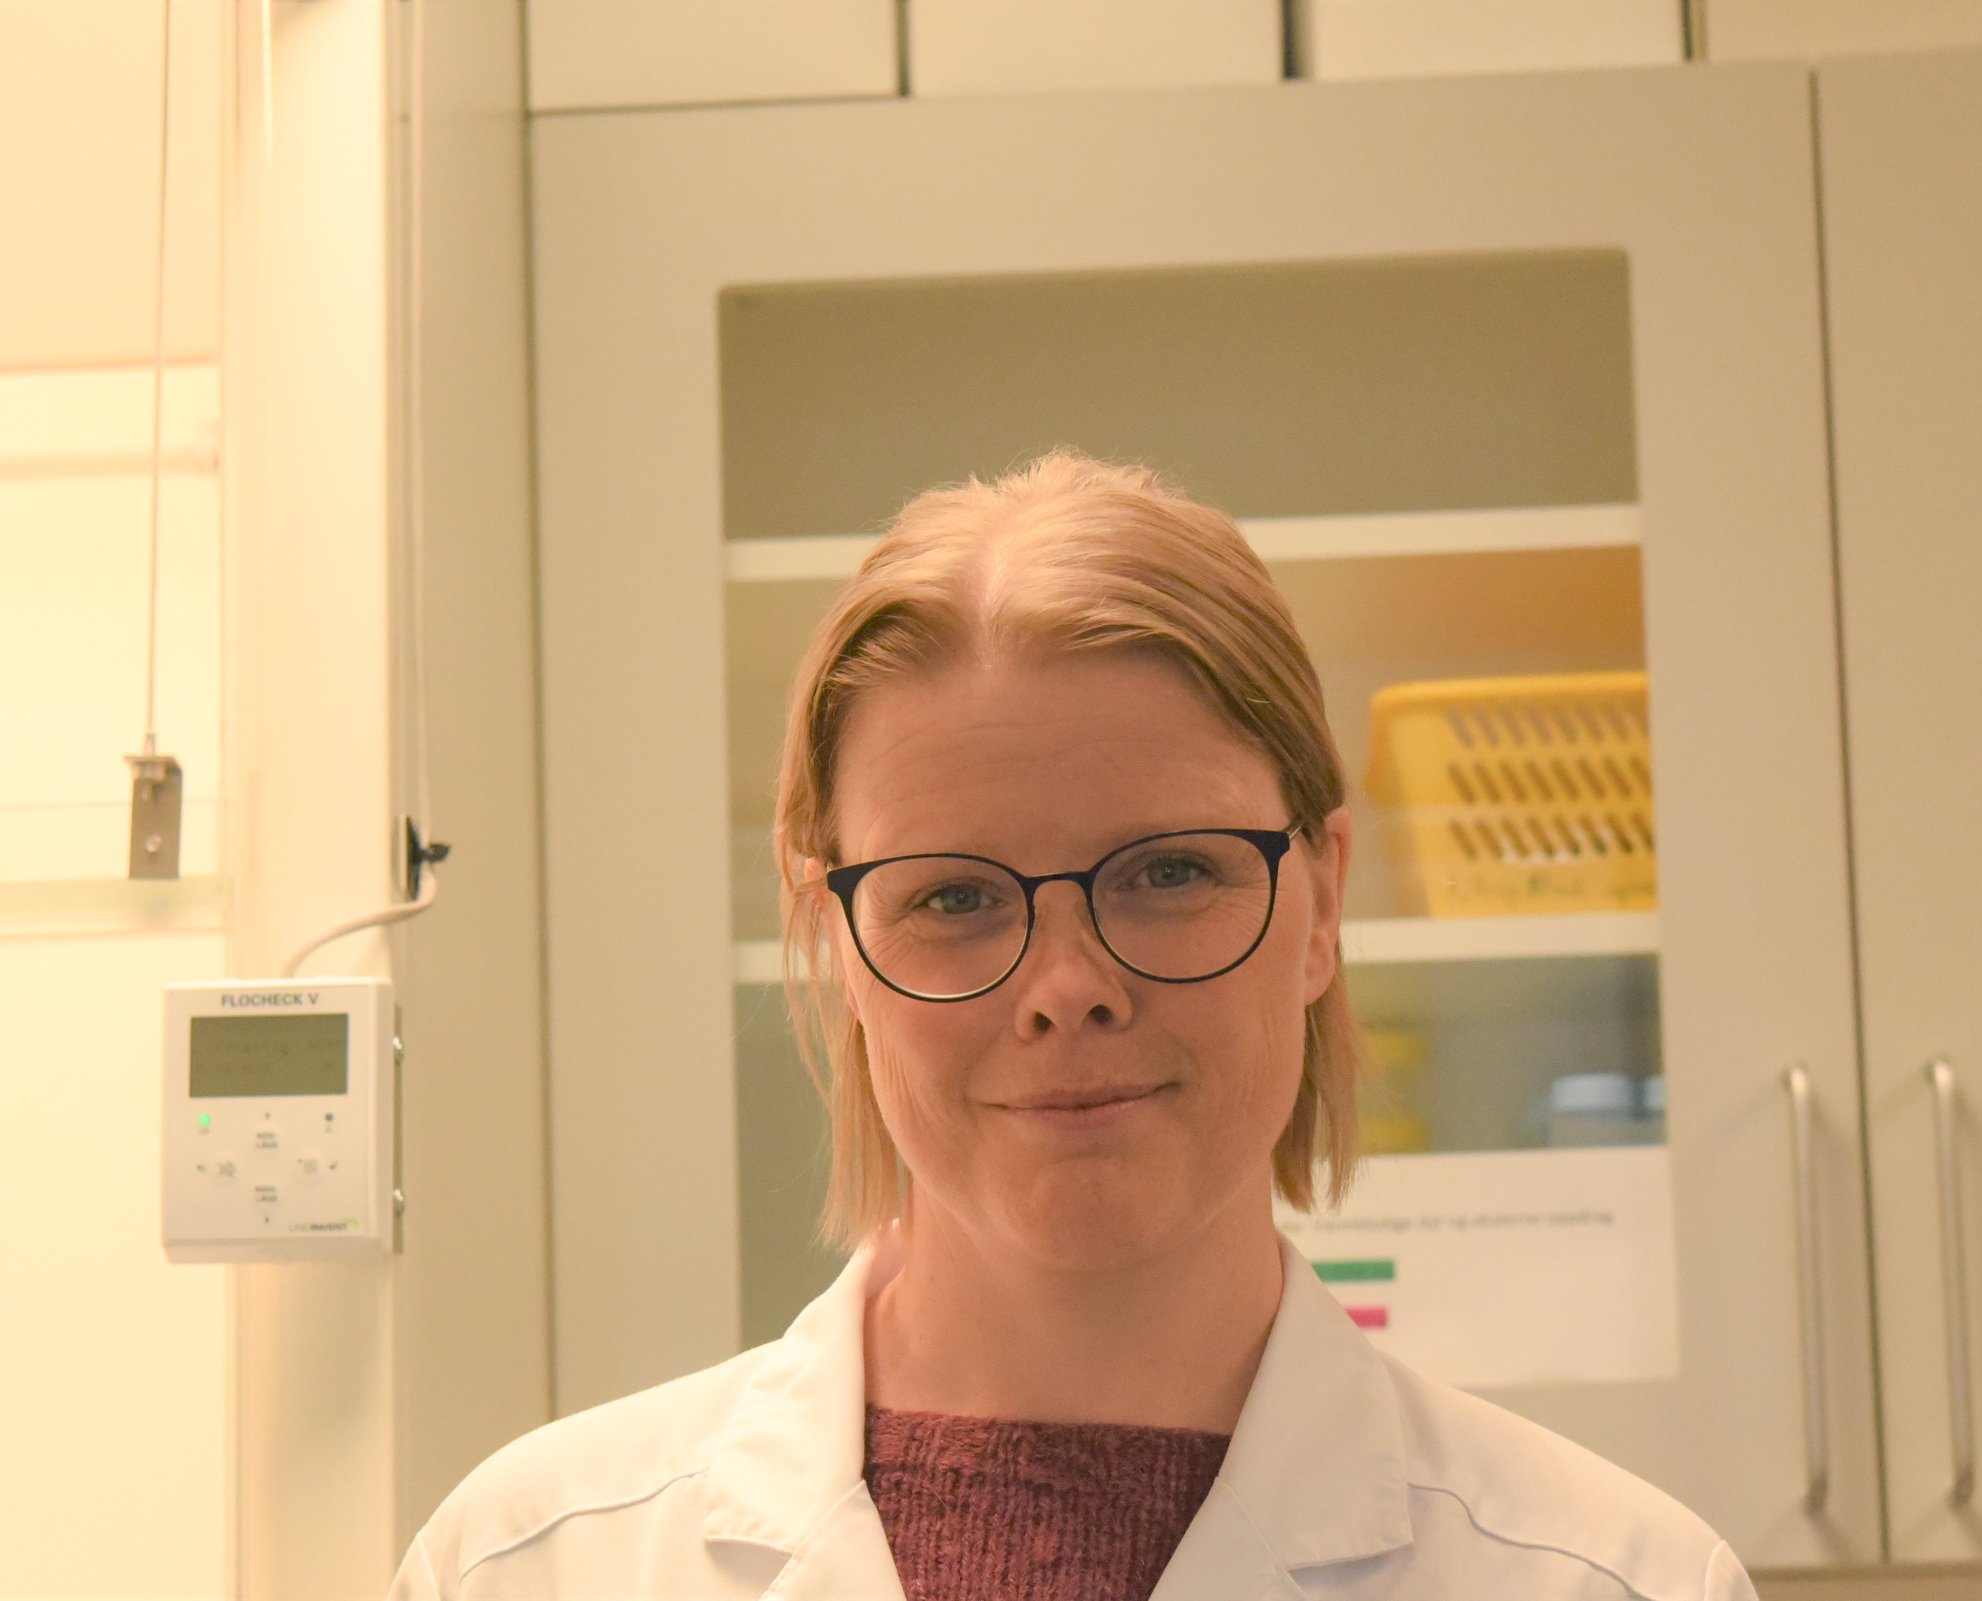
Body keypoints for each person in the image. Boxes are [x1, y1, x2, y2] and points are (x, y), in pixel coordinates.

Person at [390, 451, 1759, 1600]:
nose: (1067, 984)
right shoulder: (528, 1564)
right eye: (954, 897)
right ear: (837, 941)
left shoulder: (1616, 1581)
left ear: (1323, 901)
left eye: (1169, 871)